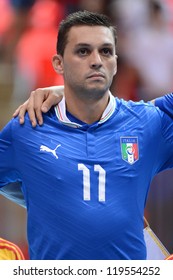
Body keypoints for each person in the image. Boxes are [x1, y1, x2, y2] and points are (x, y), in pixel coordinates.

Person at [1, 10, 173, 260]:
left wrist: (66, 90)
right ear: (58, 63)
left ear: (115, 60)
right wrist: (41, 198)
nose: (96, 61)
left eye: (105, 51)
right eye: (83, 51)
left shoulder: (148, 121)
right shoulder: (28, 128)